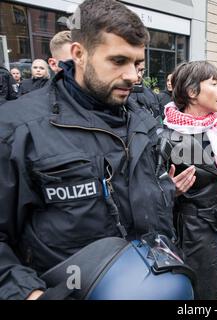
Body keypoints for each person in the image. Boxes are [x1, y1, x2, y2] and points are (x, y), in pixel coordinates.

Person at [0, 0, 195, 300]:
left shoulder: (142, 121)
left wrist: (165, 192)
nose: (133, 76)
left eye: (137, 64)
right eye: (118, 61)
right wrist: (30, 293)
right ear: (79, 54)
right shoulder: (18, 129)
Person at [161, 61, 217, 300]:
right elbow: (145, 194)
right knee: (205, 296)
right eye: (214, 83)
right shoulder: (165, 139)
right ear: (192, 93)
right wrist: (169, 191)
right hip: (192, 234)